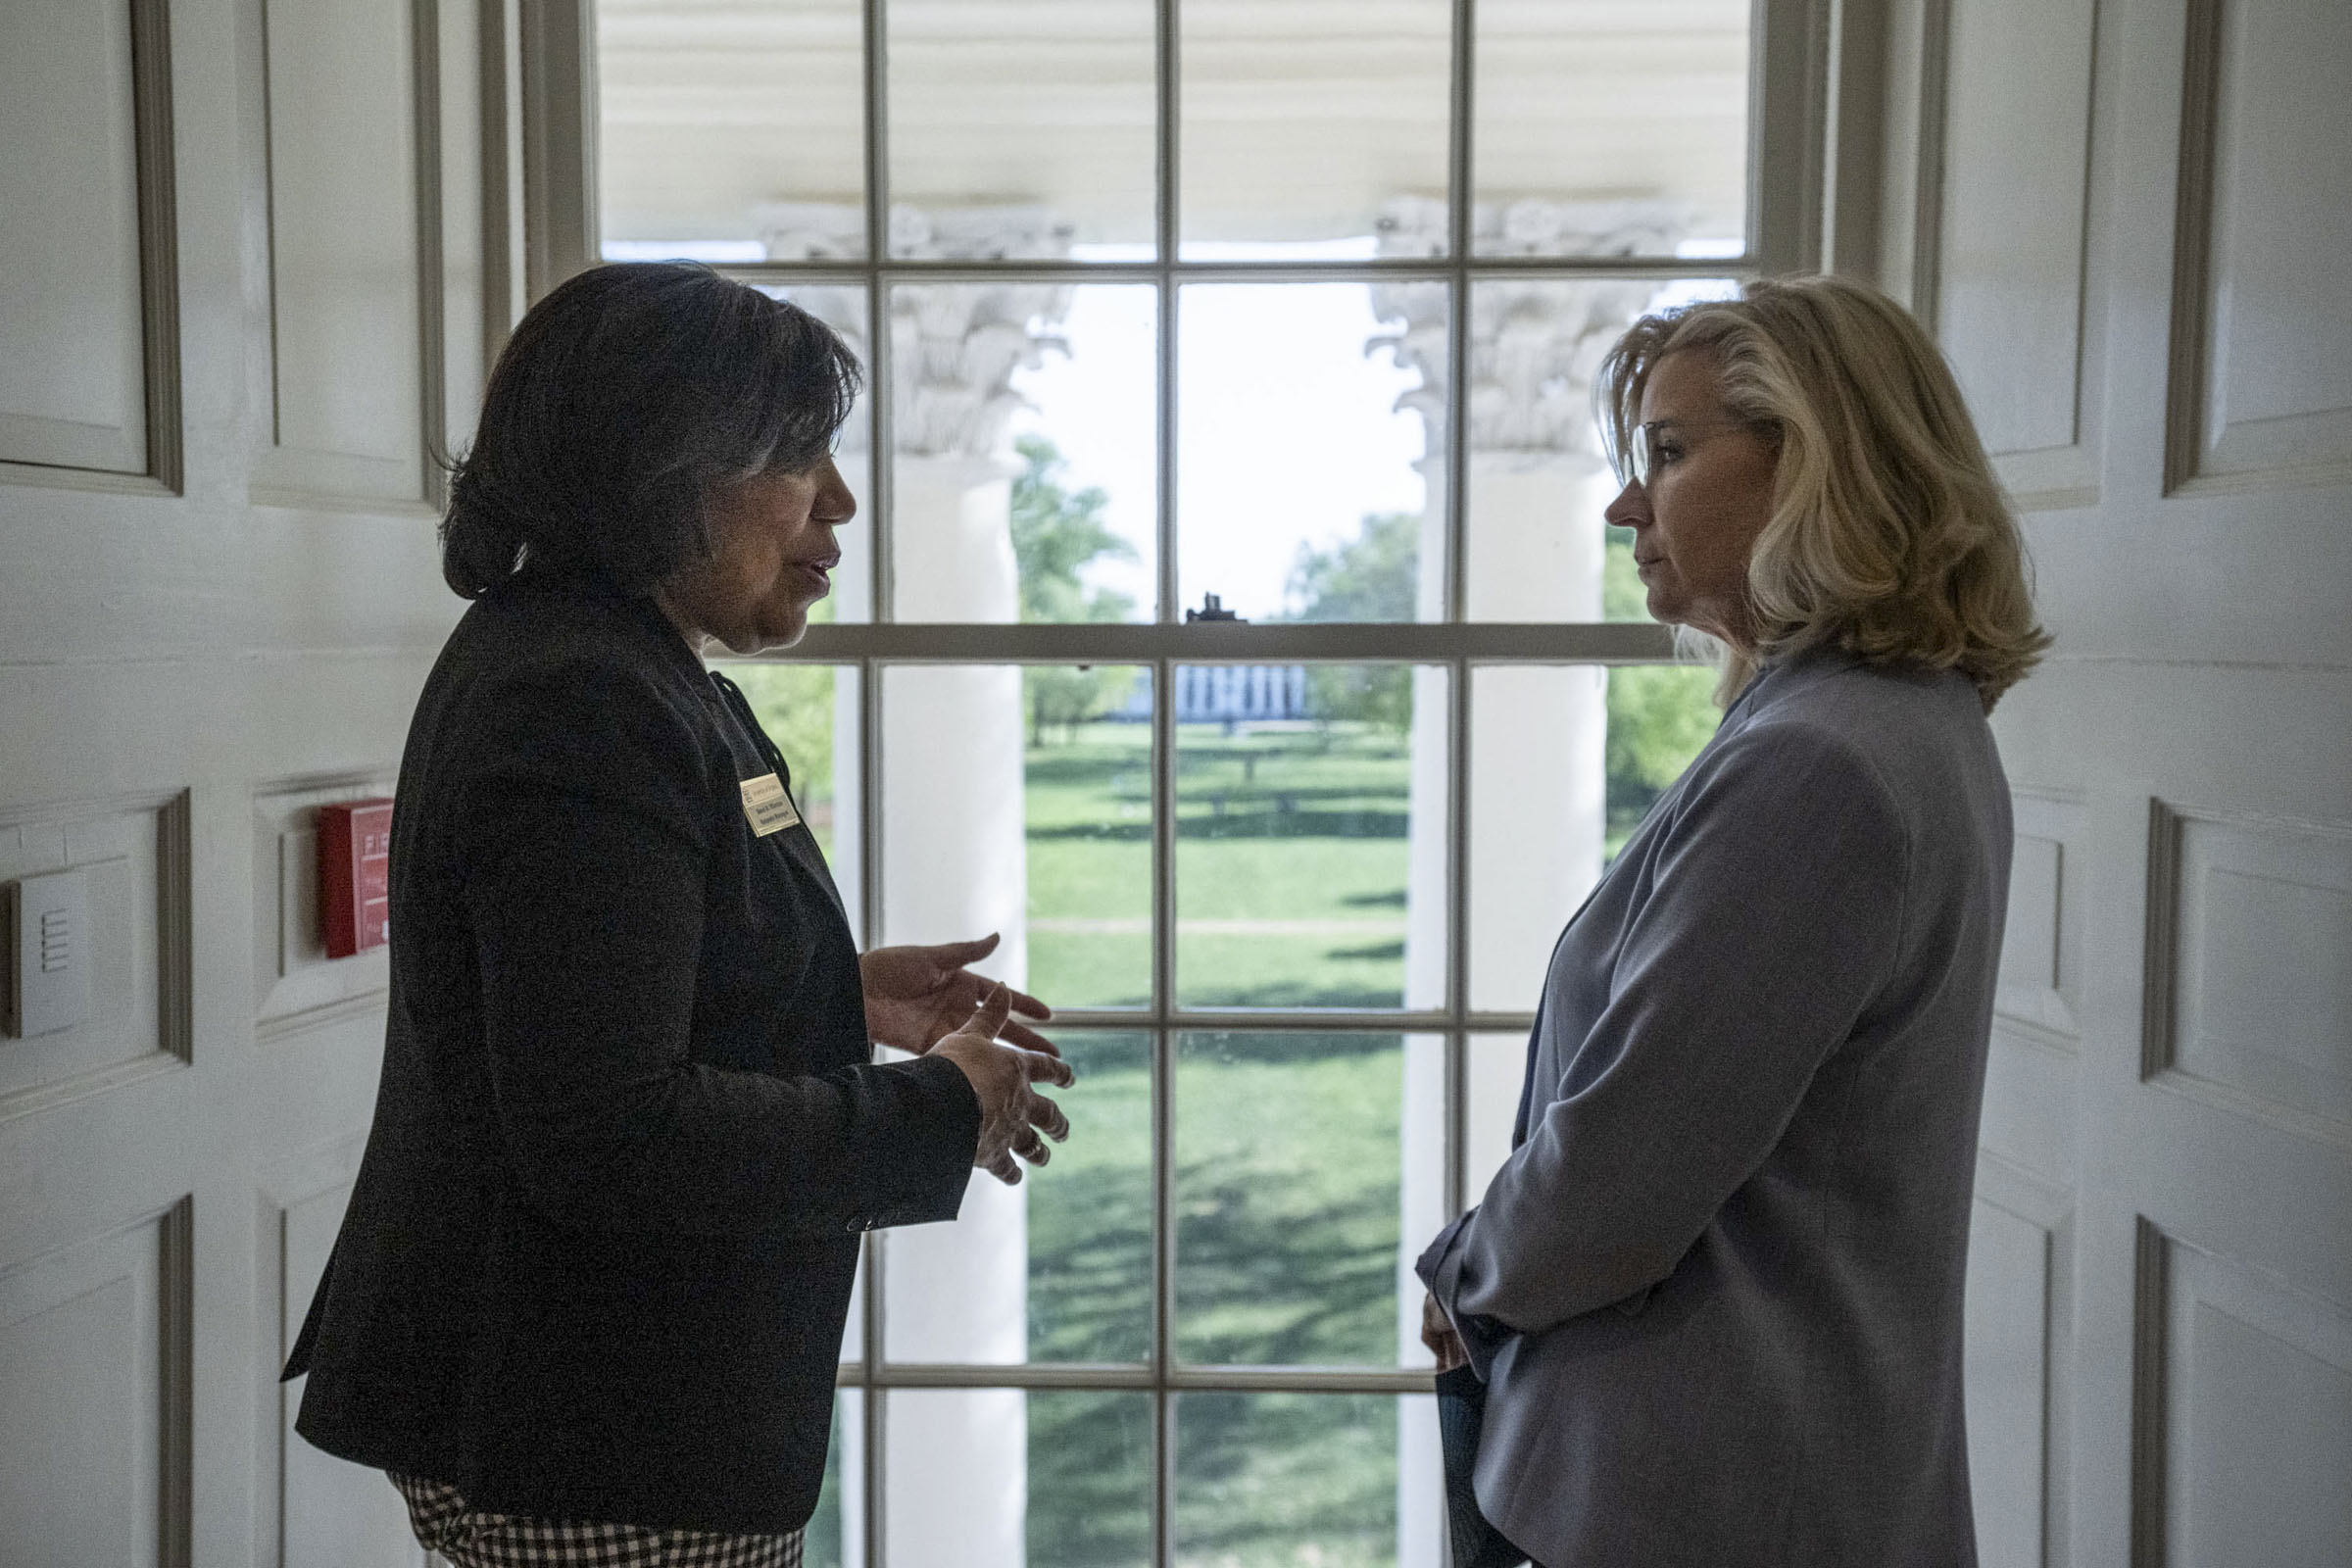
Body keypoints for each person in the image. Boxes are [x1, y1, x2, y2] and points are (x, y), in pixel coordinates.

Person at [281, 262, 1072, 1567]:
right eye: (799, 456)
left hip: (599, 1415)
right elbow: (607, 1130)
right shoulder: (583, 697)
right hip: (586, 1428)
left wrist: (831, 989)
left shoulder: (625, 666)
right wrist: (941, 1104)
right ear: (670, 464)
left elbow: (608, 977)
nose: (842, 502)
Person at [1417, 273, 2051, 1568]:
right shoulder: (1890, 722)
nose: (1623, 505)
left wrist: (1470, 1271)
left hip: (1715, 1494)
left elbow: (1618, 1185)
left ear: (1821, 463)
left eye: (1667, 452)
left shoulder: (1818, 765)